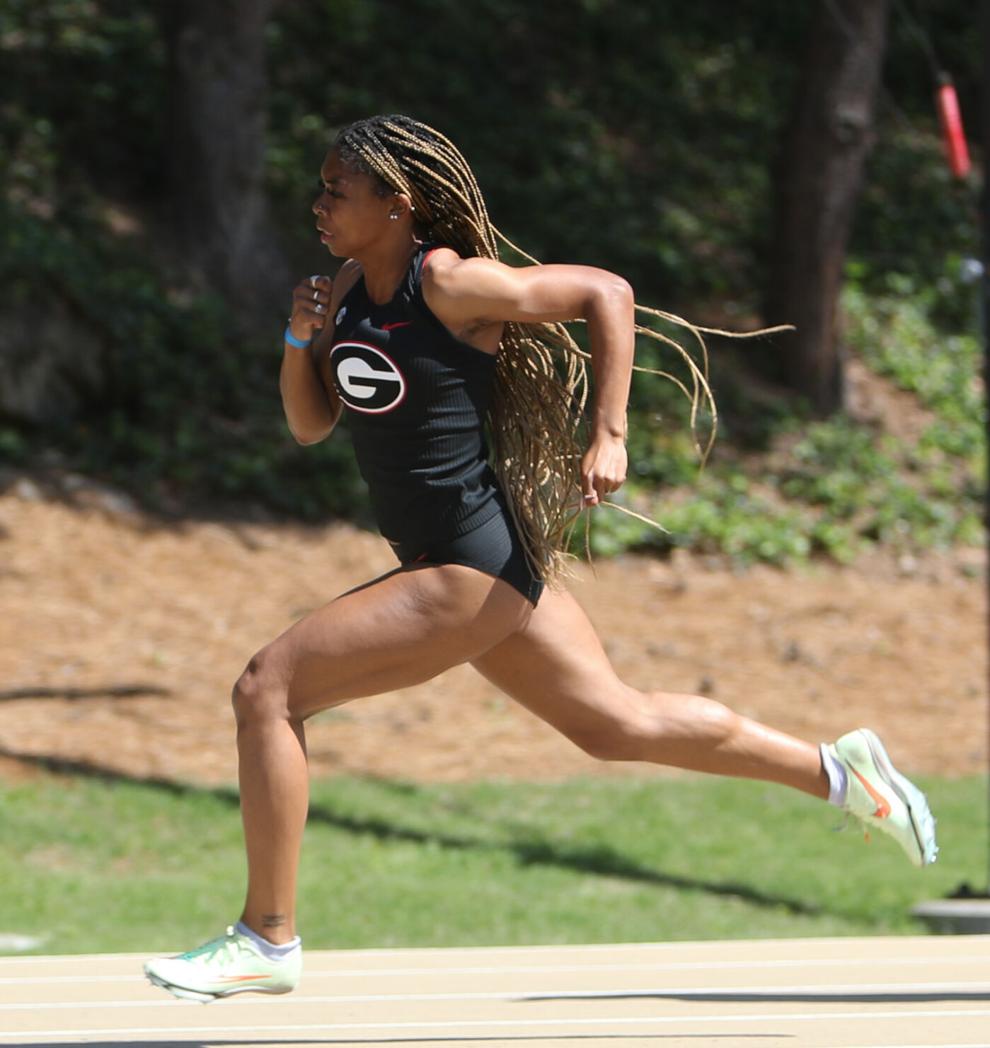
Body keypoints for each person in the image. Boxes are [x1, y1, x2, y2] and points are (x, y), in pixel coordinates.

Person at [144, 115, 937, 1004]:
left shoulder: (445, 281)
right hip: (481, 564)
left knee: (269, 688)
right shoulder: (348, 291)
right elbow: (309, 424)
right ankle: (841, 772)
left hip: (466, 566)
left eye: (337, 189)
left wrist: (610, 432)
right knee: (615, 724)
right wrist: (302, 338)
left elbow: (607, 291)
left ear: (397, 205)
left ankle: (267, 935)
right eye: (321, 187)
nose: (318, 202)